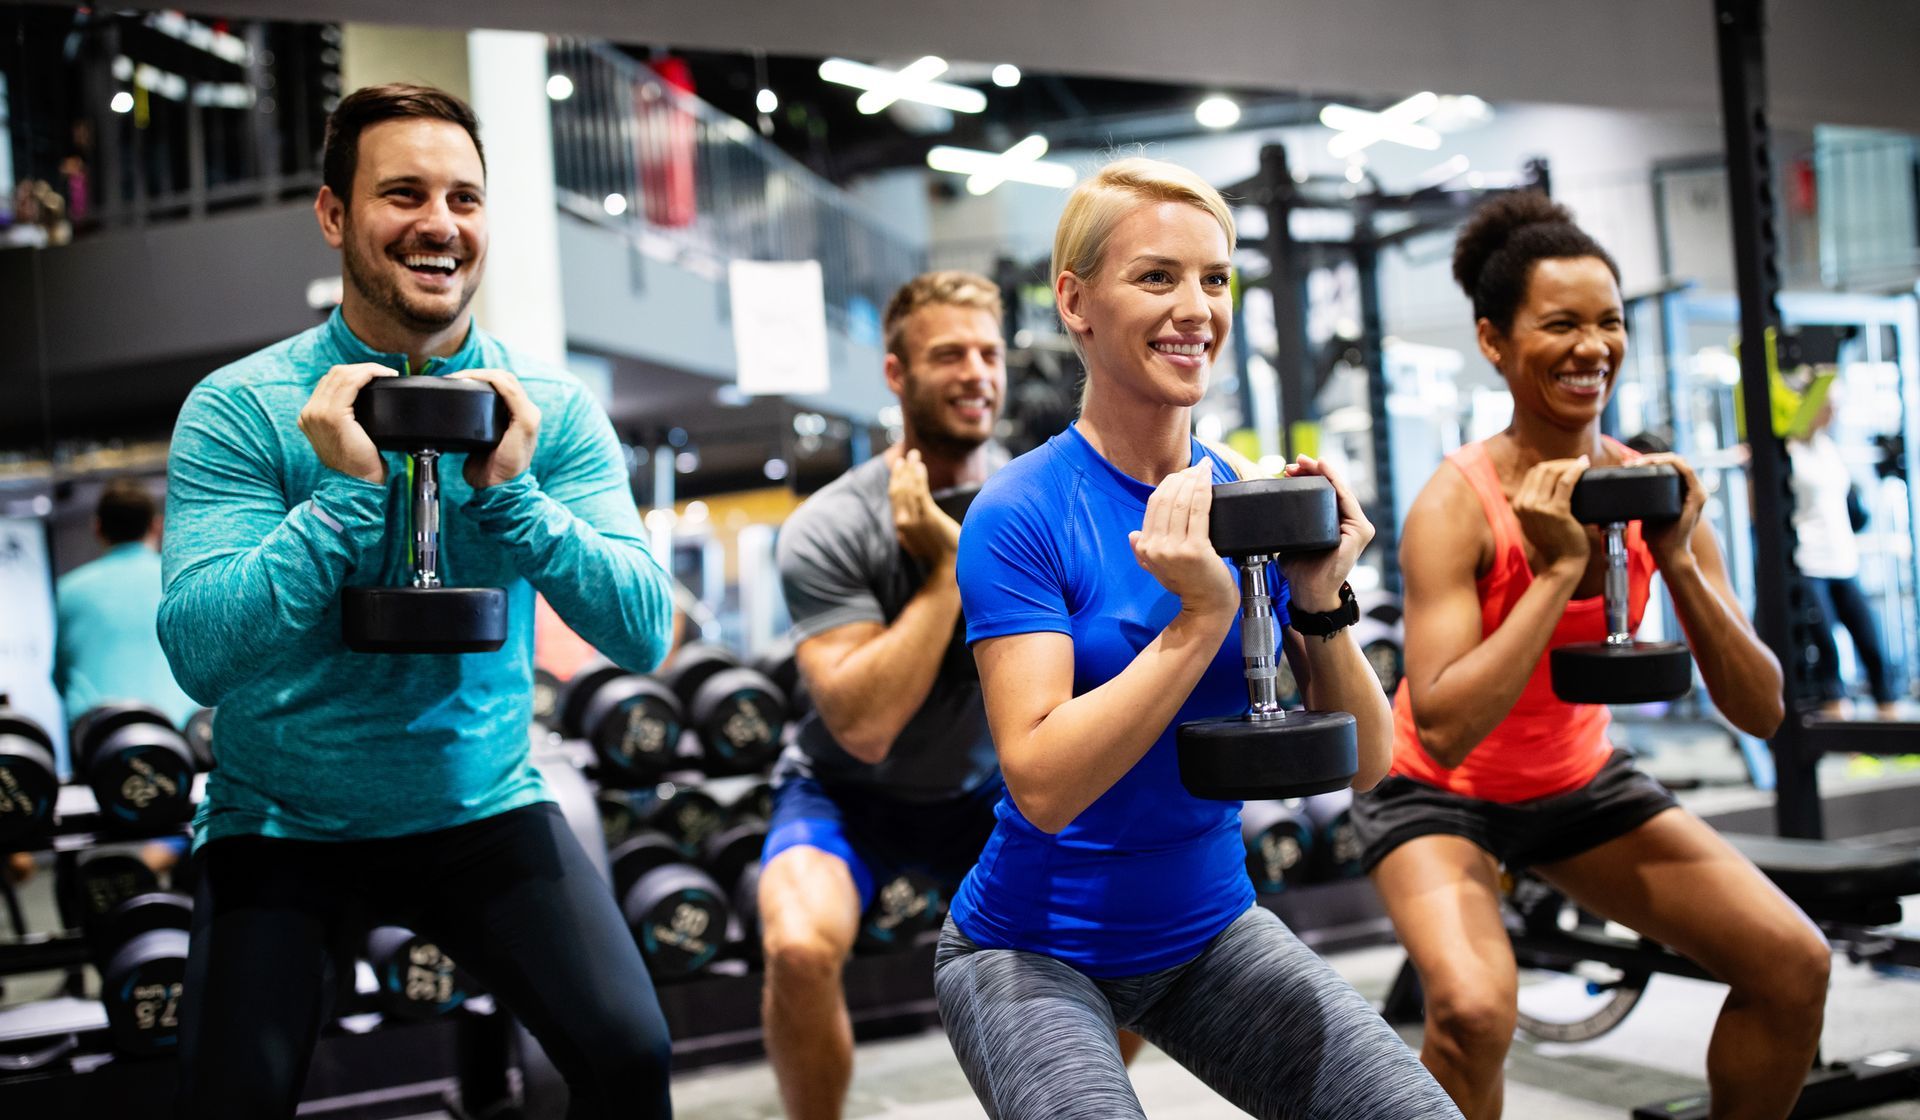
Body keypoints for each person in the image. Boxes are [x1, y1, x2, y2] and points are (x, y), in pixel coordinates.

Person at [158, 84, 676, 1119]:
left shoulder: (551, 410)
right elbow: (201, 654)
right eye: (403, 194)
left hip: (479, 806)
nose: (440, 224)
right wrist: (345, 497)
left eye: (465, 198)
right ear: (334, 215)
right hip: (282, 821)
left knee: (629, 1055)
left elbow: (642, 629)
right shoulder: (240, 409)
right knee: (228, 1100)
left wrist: (516, 499)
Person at [935, 158, 1458, 1119]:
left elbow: (1372, 760)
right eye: (1157, 277)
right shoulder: (1021, 512)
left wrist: (1319, 597)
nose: (1195, 308)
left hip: (1209, 929)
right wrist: (1201, 620)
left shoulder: (1250, 498)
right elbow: (1043, 784)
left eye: (1214, 279)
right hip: (1032, 946)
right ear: (1075, 301)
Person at [1351, 192, 1829, 1120]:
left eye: (1608, 322)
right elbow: (1443, 728)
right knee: (1474, 1011)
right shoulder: (1457, 504)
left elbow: (1763, 710)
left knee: (1793, 965)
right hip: (1435, 794)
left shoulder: (1651, 489)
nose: (1591, 346)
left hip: (1578, 783)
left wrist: (1680, 556)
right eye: (1560, 323)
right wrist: (1556, 571)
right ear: (1494, 341)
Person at [761, 270, 1137, 1118]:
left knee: (1134, 932)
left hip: (995, 788)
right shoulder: (833, 525)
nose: (976, 372)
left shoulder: (1046, 499)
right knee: (796, 945)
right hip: (850, 794)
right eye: (947, 355)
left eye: (987, 352)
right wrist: (945, 574)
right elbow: (862, 728)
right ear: (896, 374)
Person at [1788, 382, 1901, 718]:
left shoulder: (1828, 447)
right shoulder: (1787, 451)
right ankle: (1846, 744)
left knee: (1873, 646)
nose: (1834, 411)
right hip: (1808, 562)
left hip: (1844, 561)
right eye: (1829, 404)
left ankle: (1893, 732)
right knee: (1828, 652)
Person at [54, 478, 197, 732]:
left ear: (97, 528)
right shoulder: (183, 581)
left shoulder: (66, 591)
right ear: (157, 526)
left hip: (102, 745)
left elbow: (59, 677)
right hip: (184, 741)